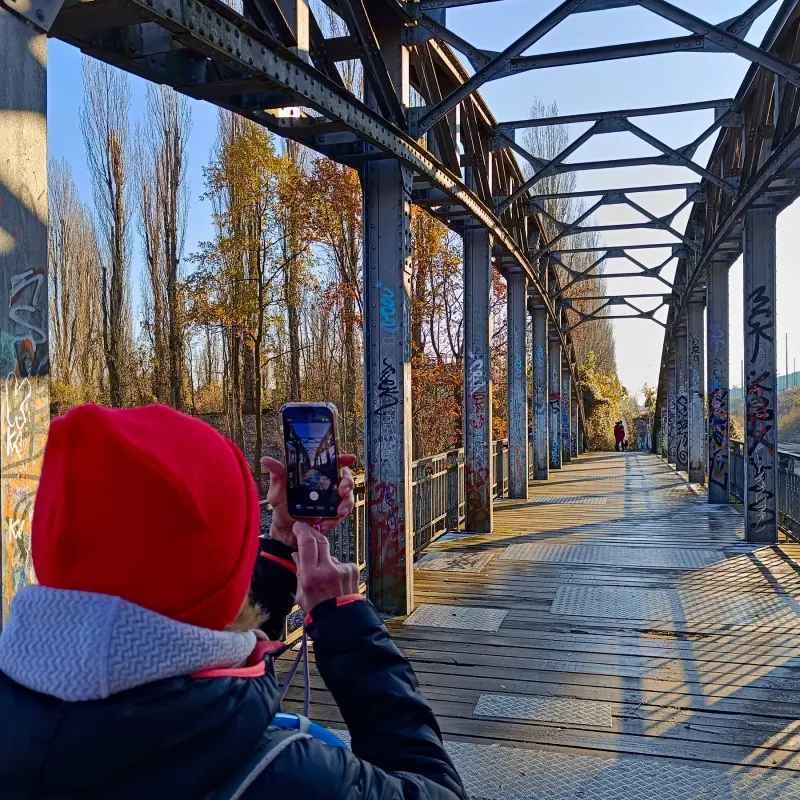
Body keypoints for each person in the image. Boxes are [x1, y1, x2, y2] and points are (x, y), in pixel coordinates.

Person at [0, 404, 466, 800]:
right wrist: (348, 625)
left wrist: (281, 545)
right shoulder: (291, 776)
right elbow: (435, 789)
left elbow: (186, 612)